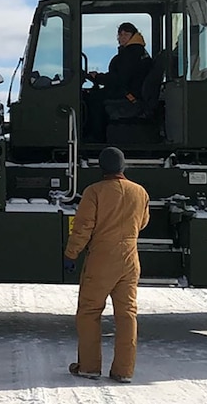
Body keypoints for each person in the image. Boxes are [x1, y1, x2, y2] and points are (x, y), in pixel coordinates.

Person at [63, 146, 150, 384]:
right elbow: (143, 222)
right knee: (127, 314)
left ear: (101, 168)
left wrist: (71, 254)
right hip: (130, 258)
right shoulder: (139, 192)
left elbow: (83, 228)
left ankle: (89, 367)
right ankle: (124, 370)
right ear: (123, 166)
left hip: (102, 257)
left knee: (90, 312)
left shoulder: (94, 192)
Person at [84, 23, 150, 141]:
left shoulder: (132, 53)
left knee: (93, 99)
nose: (122, 37)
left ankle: (96, 138)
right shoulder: (137, 51)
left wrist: (98, 77)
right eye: (120, 34)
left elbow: (119, 79)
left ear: (133, 35)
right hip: (129, 90)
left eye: (126, 34)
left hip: (129, 95)